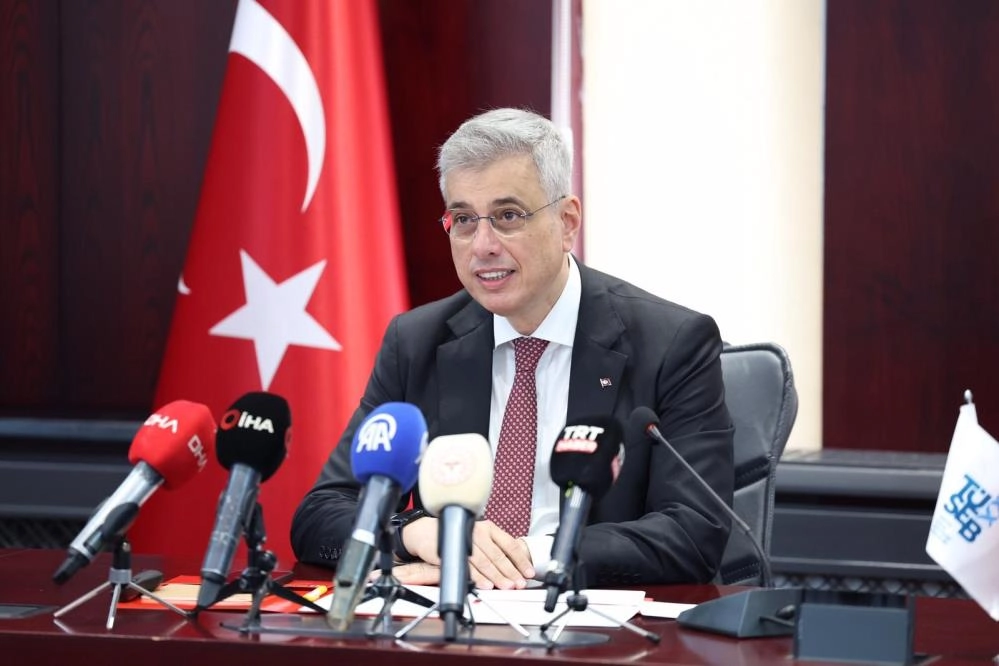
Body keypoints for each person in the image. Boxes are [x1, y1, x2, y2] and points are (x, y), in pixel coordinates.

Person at [290, 108, 734, 591]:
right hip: (448, 619)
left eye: (508, 216)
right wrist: (417, 533)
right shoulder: (417, 342)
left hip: (589, 620)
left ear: (567, 223)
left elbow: (693, 533)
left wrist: (528, 557)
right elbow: (321, 515)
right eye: (464, 219)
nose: (483, 245)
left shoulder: (672, 343)